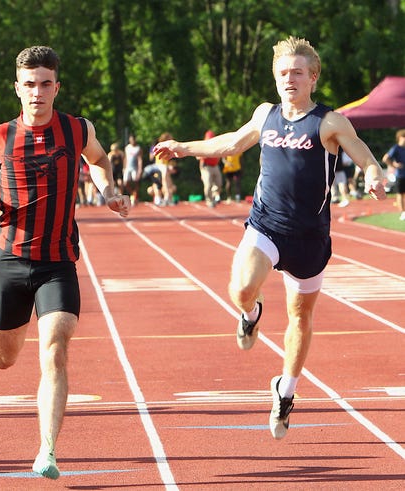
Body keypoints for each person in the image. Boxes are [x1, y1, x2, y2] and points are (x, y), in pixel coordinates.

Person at [154, 36, 386, 440]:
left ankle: (285, 389)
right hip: (266, 225)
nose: (289, 79)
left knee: (301, 317)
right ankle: (251, 313)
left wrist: (373, 173)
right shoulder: (266, 115)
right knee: (242, 287)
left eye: (297, 72)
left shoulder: (329, 122)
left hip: (310, 238)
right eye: (282, 73)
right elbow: (232, 141)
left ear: (312, 77)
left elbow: (362, 153)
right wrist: (183, 147)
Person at [0, 45, 130, 479]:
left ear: (57, 86)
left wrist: (108, 190)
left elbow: (100, 160)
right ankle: (6, 333)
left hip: (58, 263)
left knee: (55, 350)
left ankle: (47, 450)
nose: (37, 93)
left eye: (45, 84)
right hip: (10, 260)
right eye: (29, 85)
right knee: (5, 359)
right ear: (18, 88)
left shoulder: (76, 129)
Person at [382, 129, 405, 220]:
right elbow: (385, 158)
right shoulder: (396, 148)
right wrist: (394, 165)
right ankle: (403, 212)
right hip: (400, 175)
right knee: (400, 194)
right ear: (400, 137)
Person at [198, 130, 222, 207]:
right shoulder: (203, 146)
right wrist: (201, 172)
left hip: (215, 166)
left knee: (219, 183)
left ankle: (215, 195)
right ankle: (209, 200)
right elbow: (199, 159)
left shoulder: (216, 145)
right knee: (208, 185)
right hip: (206, 167)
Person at [123, 134, 143, 205]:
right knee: (125, 183)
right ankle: (132, 194)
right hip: (128, 168)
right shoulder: (127, 148)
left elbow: (140, 160)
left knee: (135, 182)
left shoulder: (138, 148)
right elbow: (125, 158)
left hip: (135, 168)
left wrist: (140, 170)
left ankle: (135, 196)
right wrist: (124, 168)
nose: (132, 141)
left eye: (133, 140)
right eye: (131, 139)